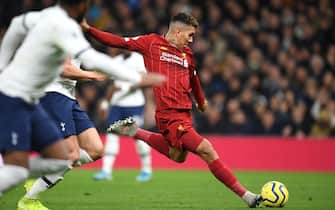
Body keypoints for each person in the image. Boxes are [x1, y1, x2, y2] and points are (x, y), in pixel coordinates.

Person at [82, 12, 262, 208]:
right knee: (207, 149)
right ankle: (247, 196)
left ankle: (134, 131)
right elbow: (118, 41)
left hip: (185, 115)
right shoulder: (151, 43)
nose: (192, 40)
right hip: (169, 116)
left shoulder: (187, 54)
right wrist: (89, 29)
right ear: (177, 31)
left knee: (178, 157)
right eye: (190, 35)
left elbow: (194, 79)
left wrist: (201, 102)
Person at [0, 0, 164, 209]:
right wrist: (93, 75)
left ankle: (42, 174)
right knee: (70, 155)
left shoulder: (62, 24)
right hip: (52, 94)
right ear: (78, 7)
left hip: (68, 97)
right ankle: (29, 200)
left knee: (96, 150)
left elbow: (16, 24)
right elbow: (64, 69)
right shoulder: (59, 26)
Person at [93, 51, 152, 182]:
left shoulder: (138, 59)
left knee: (137, 136)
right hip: (116, 105)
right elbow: (113, 86)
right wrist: (104, 104)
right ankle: (106, 171)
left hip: (134, 104)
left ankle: (147, 170)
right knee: (112, 136)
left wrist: (127, 89)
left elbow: (144, 80)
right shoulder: (116, 60)